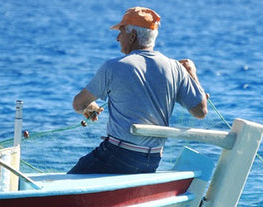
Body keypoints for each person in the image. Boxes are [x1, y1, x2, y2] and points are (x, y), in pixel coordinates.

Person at [68, 6, 208, 174]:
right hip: (152, 160)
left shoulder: (114, 67)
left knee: (69, 182)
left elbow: (78, 104)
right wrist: (192, 74)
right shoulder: (175, 68)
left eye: (121, 32)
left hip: (118, 155)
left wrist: (89, 106)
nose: (117, 38)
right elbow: (200, 111)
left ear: (132, 35)